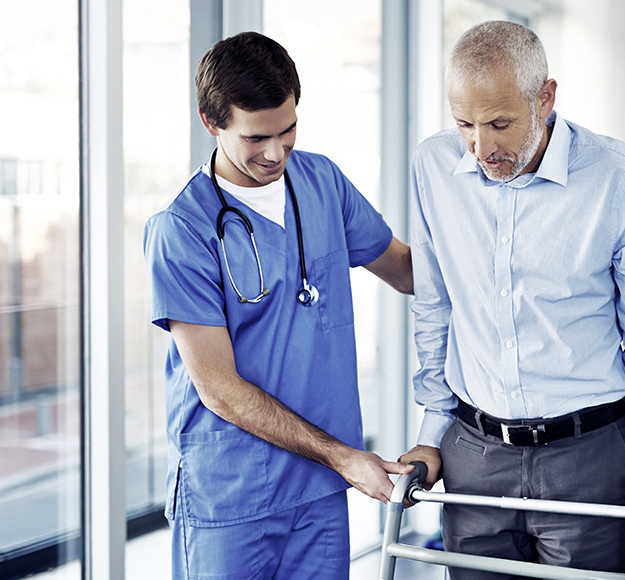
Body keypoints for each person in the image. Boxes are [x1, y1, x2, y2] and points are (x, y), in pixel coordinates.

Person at [399, 20, 625, 578]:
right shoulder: (432, 167)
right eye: (464, 123)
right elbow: (434, 306)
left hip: (586, 454)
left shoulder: (618, 178)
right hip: (474, 450)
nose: (481, 147)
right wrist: (429, 433)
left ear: (546, 97)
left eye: (500, 124)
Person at [144, 31, 414, 580]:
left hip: (317, 491)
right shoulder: (182, 230)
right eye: (256, 137)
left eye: (287, 129)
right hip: (231, 496)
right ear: (211, 122)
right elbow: (219, 390)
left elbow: (408, 271)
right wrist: (343, 456)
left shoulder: (321, 182)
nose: (275, 153)